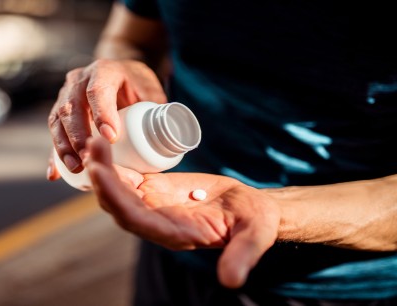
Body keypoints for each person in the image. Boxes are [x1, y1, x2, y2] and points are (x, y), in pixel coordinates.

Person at [47, 1, 397, 305]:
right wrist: (123, 67)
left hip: (346, 283)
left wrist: (277, 210)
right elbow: (129, 37)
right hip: (175, 235)